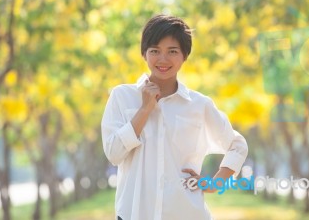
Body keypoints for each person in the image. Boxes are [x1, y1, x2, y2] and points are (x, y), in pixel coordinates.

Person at [101, 14, 248, 220]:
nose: (163, 59)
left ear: (184, 56)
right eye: (155, 51)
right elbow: (114, 154)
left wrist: (216, 183)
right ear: (144, 54)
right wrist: (144, 109)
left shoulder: (199, 105)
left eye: (172, 51)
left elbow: (237, 145)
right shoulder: (122, 96)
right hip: (134, 214)